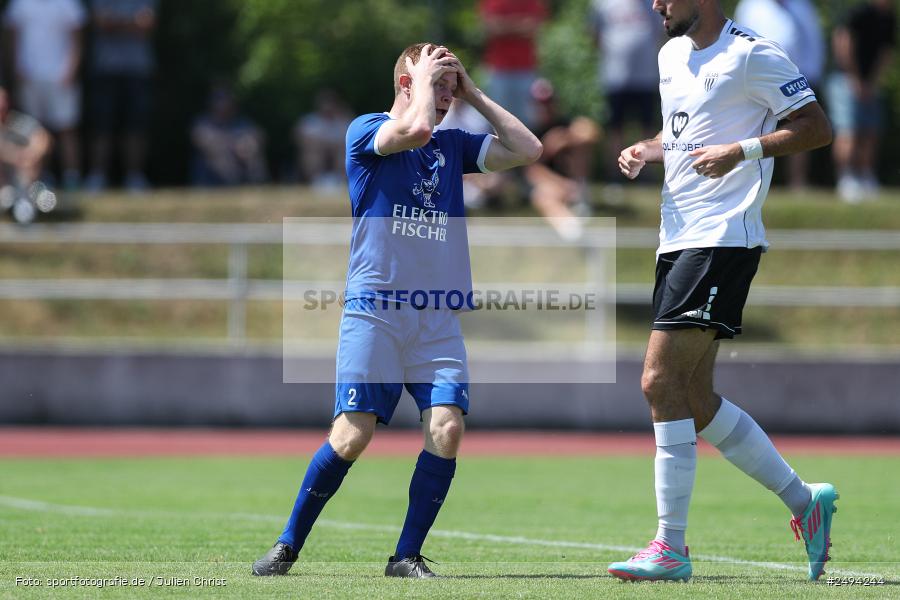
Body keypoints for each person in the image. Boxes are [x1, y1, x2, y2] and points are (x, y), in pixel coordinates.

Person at [251, 43, 541, 578]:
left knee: (447, 429)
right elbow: (412, 132)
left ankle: (405, 555)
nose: (447, 96)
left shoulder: (452, 144)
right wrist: (427, 83)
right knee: (352, 435)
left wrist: (474, 92)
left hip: (435, 316)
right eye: (438, 84)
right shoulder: (366, 129)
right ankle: (288, 544)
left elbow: (527, 148)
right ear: (407, 84)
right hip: (375, 309)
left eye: (452, 87)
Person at [606, 0, 836, 583]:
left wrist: (744, 150)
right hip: (676, 238)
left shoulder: (752, 54)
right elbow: (685, 131)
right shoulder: (669, 54)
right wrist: (648, 149)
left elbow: (816, 127)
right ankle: (805, 502)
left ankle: (670, 547)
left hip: (723, 238)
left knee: (658, 381)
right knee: (696, 398)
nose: (655, 4)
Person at [735, 0, 825, 190]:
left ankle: (797, 182)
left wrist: (813, 73)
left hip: (799, 78)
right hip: (758, 80)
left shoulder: (801, 5)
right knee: (757, 131)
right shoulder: (750, 6)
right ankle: (752, 183)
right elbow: (738, 43)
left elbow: (813, 40)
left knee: (799, 128)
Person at [3, 0, 86, 191]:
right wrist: (17, 67)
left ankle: (71, 178)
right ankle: (38, 180)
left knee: (67, 129)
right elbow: (13, 36)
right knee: (34, 133)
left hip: (61, 77)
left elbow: (77, 39)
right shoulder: (20, 4)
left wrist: (71, 70)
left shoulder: (68, 4)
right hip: (30, 76)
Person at [84, 0, 158, 194]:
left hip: (138, 69)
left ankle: (135, 177)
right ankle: (98, 176)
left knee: (136, 125)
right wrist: (132, 23)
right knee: (101, 124)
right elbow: (101, 23)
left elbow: (146, 24)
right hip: (105, 68)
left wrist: (115, 23)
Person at [828, 0, 896, 203]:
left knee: (870, 131)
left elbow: (886, 52)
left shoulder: (889, 17)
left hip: (869, 83)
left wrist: (872, 82)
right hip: (844, 78)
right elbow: (843, 41)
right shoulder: (860, 12)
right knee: (848, 130)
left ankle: (866, 177)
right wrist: (854, 79)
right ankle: (846, 179)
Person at [590, 0, 662, 182]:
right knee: (615, 126)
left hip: (646, 75)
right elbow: (595, 35)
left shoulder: (652, 3)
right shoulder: (603, 4)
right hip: (615, 76)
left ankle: (647, 173)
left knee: (647, 125)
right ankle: (615, 172)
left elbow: (660, 32)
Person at [525, 78, 600, 240]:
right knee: (542, 195)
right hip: (553, 183)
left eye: (548, 103)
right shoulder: (530, 131)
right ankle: (572, 231)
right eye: (540, 104)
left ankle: (579, 200)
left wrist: (564, 139)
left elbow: (591, 132)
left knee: (581, 146)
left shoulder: (565, 123)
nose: (544, 108)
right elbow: (533, 171)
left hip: (574, 178)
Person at [479, 0, 548, 128]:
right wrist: (519, 24)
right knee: (495, 120)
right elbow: (491, 26)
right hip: (499, 69)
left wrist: (505, 24)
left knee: (528, 122)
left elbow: (533, 27)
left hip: (526, 69)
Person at [190, 86, 268, 187]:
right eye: (220, 100)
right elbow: (201, 141)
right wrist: (230, 145)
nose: (224, 104)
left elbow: (259, 136)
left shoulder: (241, 122)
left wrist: (248, 144)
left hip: (240, 164)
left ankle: (257, 186)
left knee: (253, 154)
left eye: (227, 100)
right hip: (212, 170)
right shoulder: (203, 123)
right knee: (221, 157)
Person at [294, 88, 352, 190]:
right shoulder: (310, 121)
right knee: (312, 152)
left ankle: (340, 181)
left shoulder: (344, 121)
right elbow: (300, 138)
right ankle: (316, 181)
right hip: (318, 155)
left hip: (338, 154)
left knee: (343, 152)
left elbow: (351, 140)